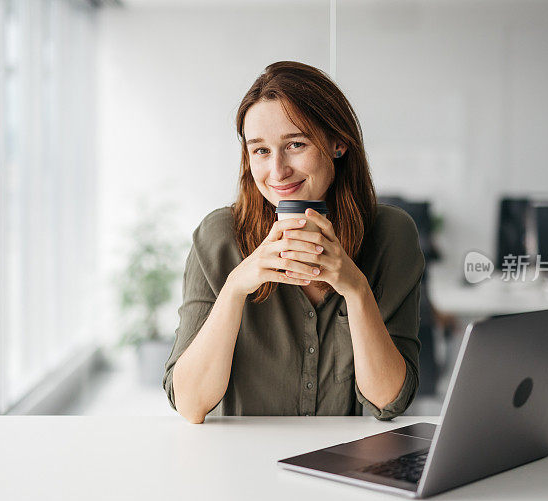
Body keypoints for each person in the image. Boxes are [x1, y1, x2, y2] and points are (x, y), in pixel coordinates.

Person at [162, 61, 425, 424]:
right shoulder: (219, 236)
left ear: (338, 142)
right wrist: (236, 286)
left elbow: (389, 401)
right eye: (261, 151)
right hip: (237, 466)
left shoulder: (392, 234)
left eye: (295, 144)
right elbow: (190, 404)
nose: (277, 171)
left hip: (338, 467)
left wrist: (356, 289)